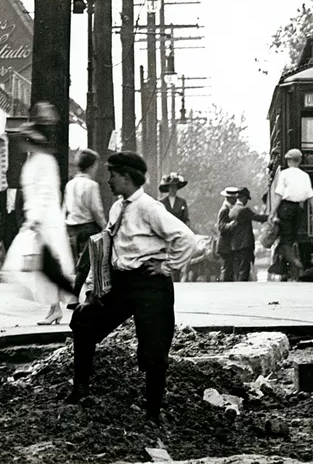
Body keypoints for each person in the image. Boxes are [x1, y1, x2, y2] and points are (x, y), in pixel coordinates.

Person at [66, 151, 196, 425]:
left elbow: (186, 239)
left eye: (113, 175)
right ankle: (80, 389)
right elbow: (105, 248)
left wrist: (167, 267)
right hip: (121, 283)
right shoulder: (117, 207)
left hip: (150, 285)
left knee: (154, 346)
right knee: (84, 321)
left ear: (126, 177)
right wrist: (92, 290)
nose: (108, 180)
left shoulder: (150, 207)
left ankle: (152, 411)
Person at [8, 102, 75, 325]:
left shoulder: (44, 161)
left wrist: (36, 219)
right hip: (39, 219)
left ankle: (58, 306)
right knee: (40, 266)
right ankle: (55, 306)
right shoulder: (34, 161)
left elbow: (46, 193)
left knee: (45, 265)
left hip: (45, 221)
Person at [64, 149, 107, 305]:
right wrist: (105, 227)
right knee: (90, 264)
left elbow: (65, 207)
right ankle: (80, 297)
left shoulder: (70, 184)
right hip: (88, 227)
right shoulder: (92, 185)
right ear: (91, 166)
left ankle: (77, 296)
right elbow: (96, 209)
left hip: (72, 228)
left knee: (79, 265)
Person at [268, 148, 313, 279]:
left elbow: (279, 195)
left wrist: (272, 212)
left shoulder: (284, 174)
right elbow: (311, 197)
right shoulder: (305, 175)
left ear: (289, 160)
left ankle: (293, 265)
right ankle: (288, 266)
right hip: (299, 209)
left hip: (285, 208)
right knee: (294, 237)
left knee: (286, 238)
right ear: (300, 161)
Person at [226, 187, 267, 281]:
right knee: (244, 270)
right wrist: (271, 216)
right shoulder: (244, 210)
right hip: (244, 245)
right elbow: (258, 218)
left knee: (238, 270)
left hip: (235, 245)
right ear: (244, 198)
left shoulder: (232, 210)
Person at [159, 172, 191, 282]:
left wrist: (186, 230)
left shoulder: (182, 202)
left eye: (175, 187)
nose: (173, 189)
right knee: (165, 257)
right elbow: (159, 219)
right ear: (168, 188)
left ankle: (176, 281)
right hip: (166, 234)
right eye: (171, 187)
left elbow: (186, 218)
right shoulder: (161, 202)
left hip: (178, 234)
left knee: (177, 257)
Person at [215, 186, 239, 282]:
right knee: (226, 269)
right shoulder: (225, 210)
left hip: (228, 245)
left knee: (229, 269)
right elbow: (221, 226)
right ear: (229, 198)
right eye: (234, 198)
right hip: (225, 245)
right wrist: (232, 225)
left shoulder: (228, 208)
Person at [0, 183, 24, 255]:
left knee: (18, 246)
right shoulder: (1, 194)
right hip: (6, 223)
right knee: (7, 244)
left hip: (17, 223)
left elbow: (25, 210)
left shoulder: (22, 194)